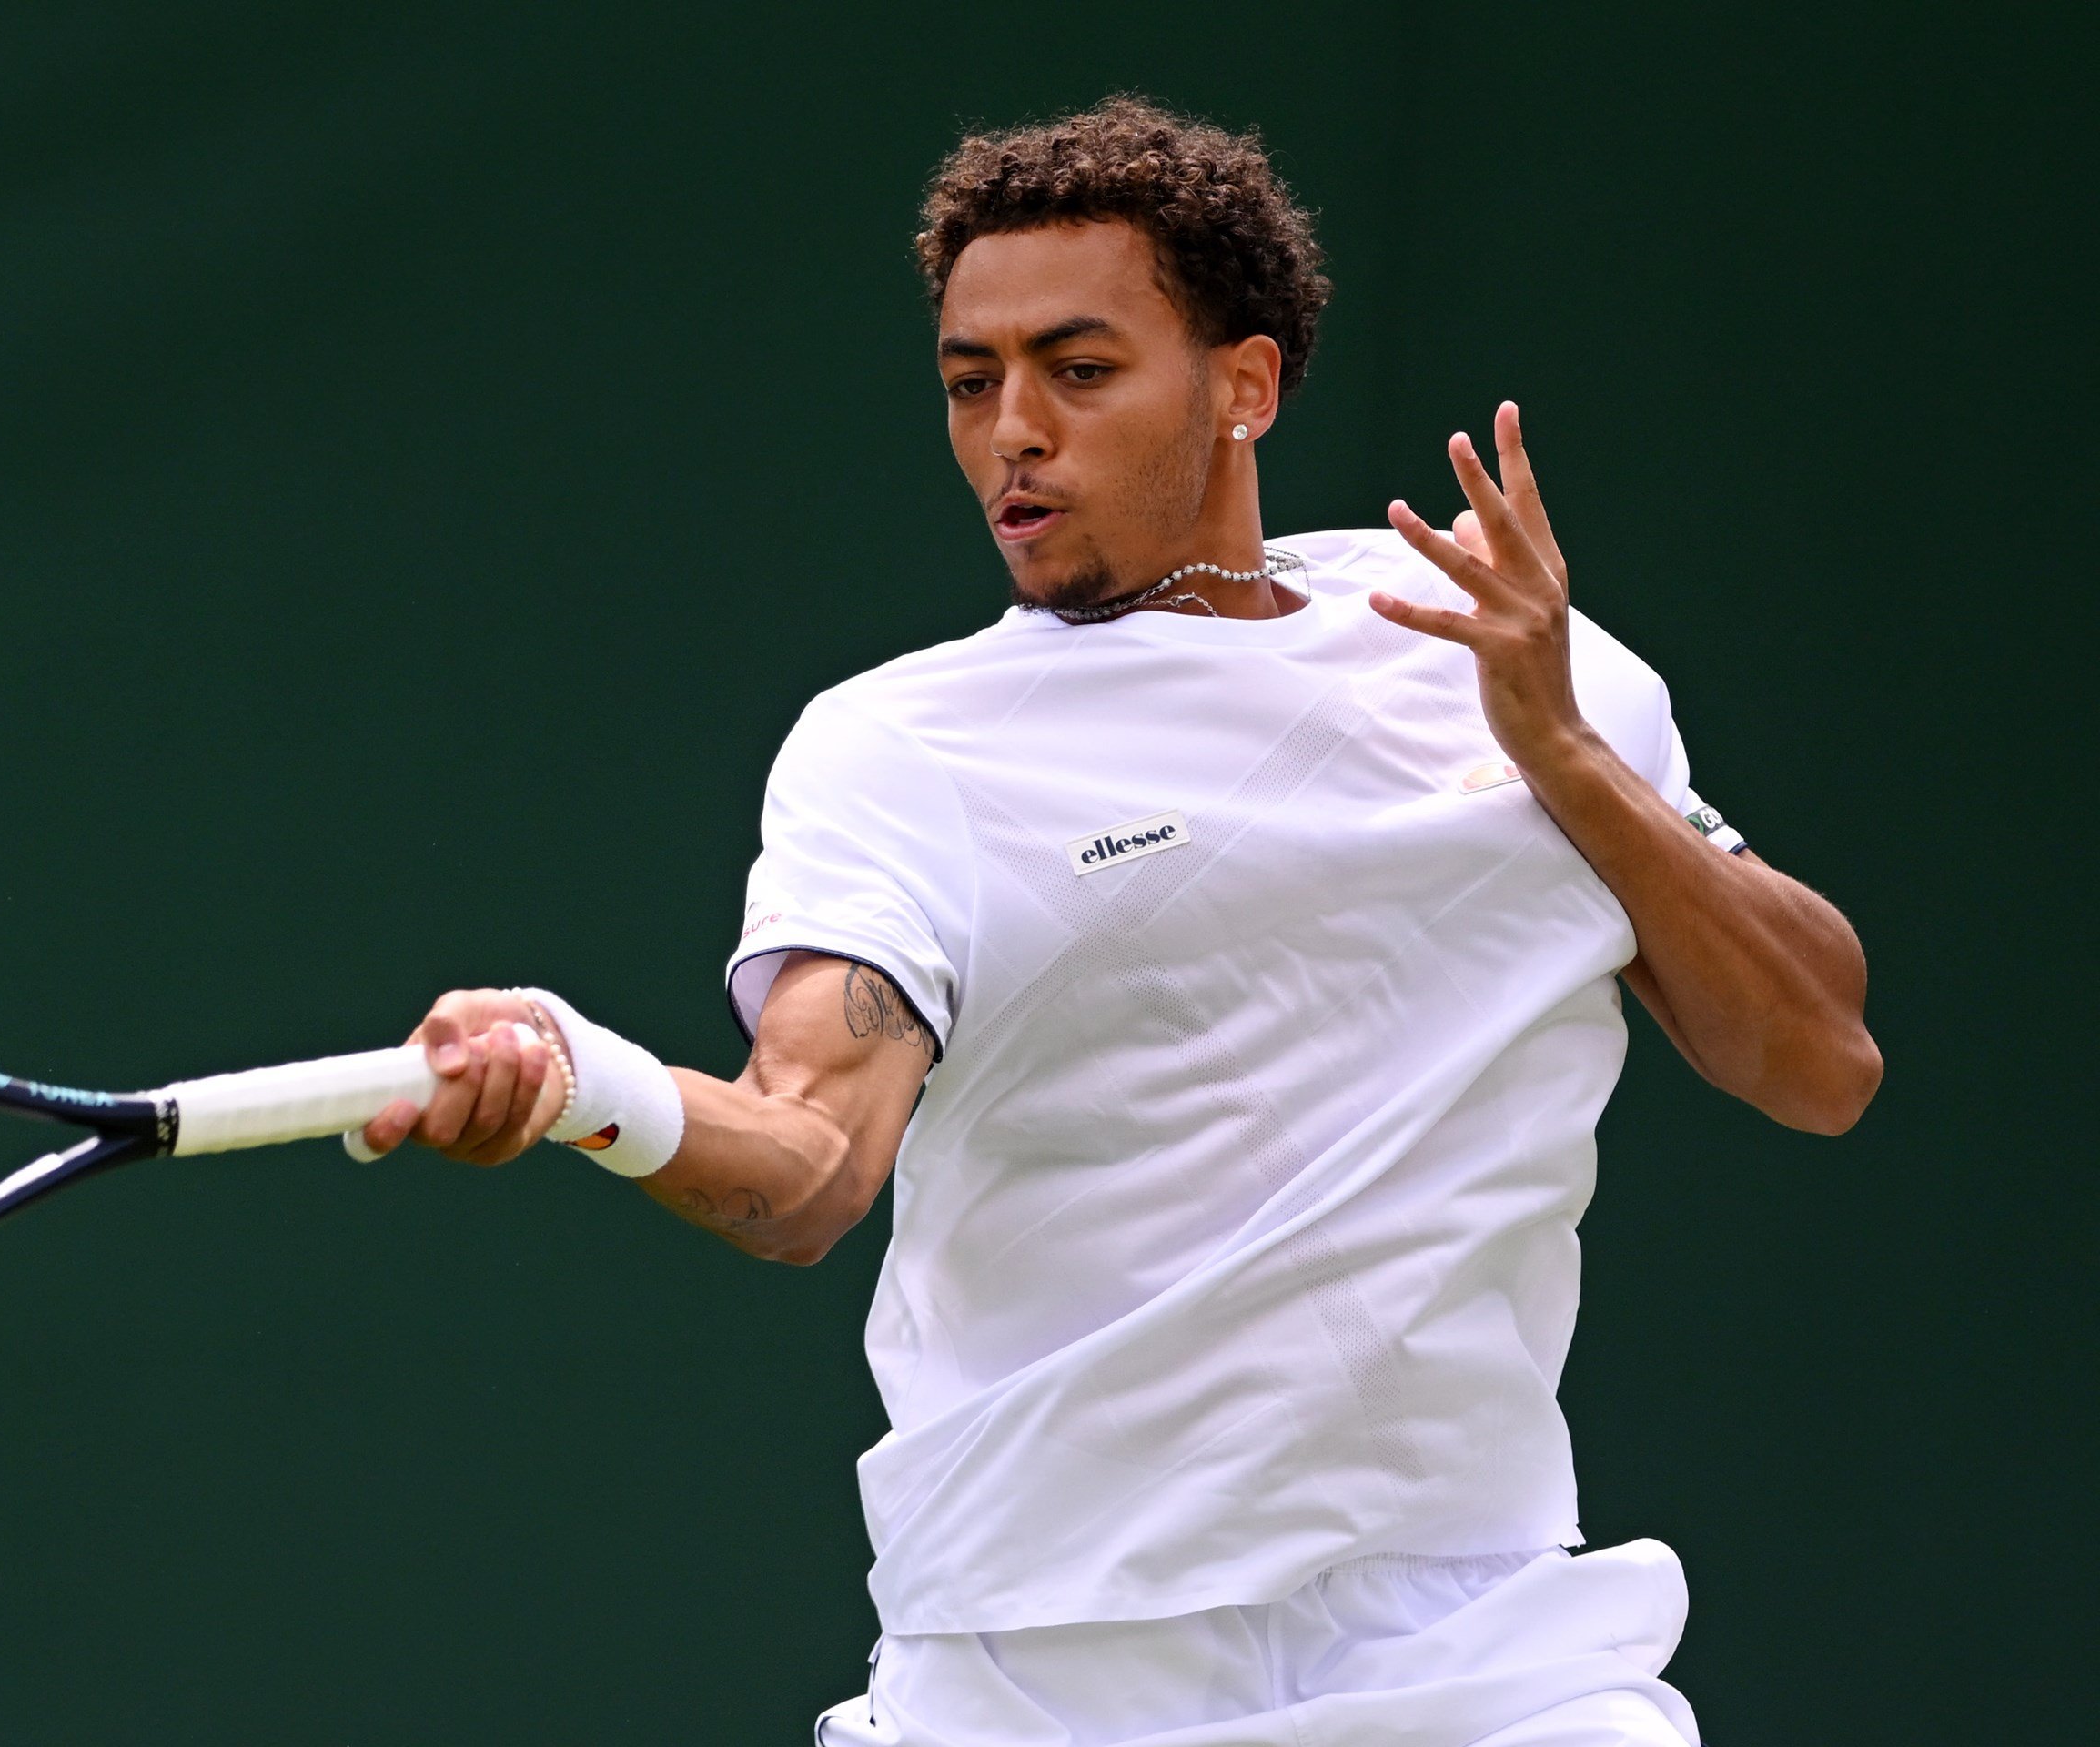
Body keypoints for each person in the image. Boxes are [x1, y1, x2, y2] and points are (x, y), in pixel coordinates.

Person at [352, 95, 1879, 1746]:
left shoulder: (1491, 642)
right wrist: (587, 1083)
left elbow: (1820, 1058)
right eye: (969, 382)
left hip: (1486, 1647)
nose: (1014, 429)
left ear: (1246, 385)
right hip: (1037, 1674)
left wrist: (1565, 750)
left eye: (1078, 372)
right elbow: (803, 1173)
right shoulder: (898, 749)